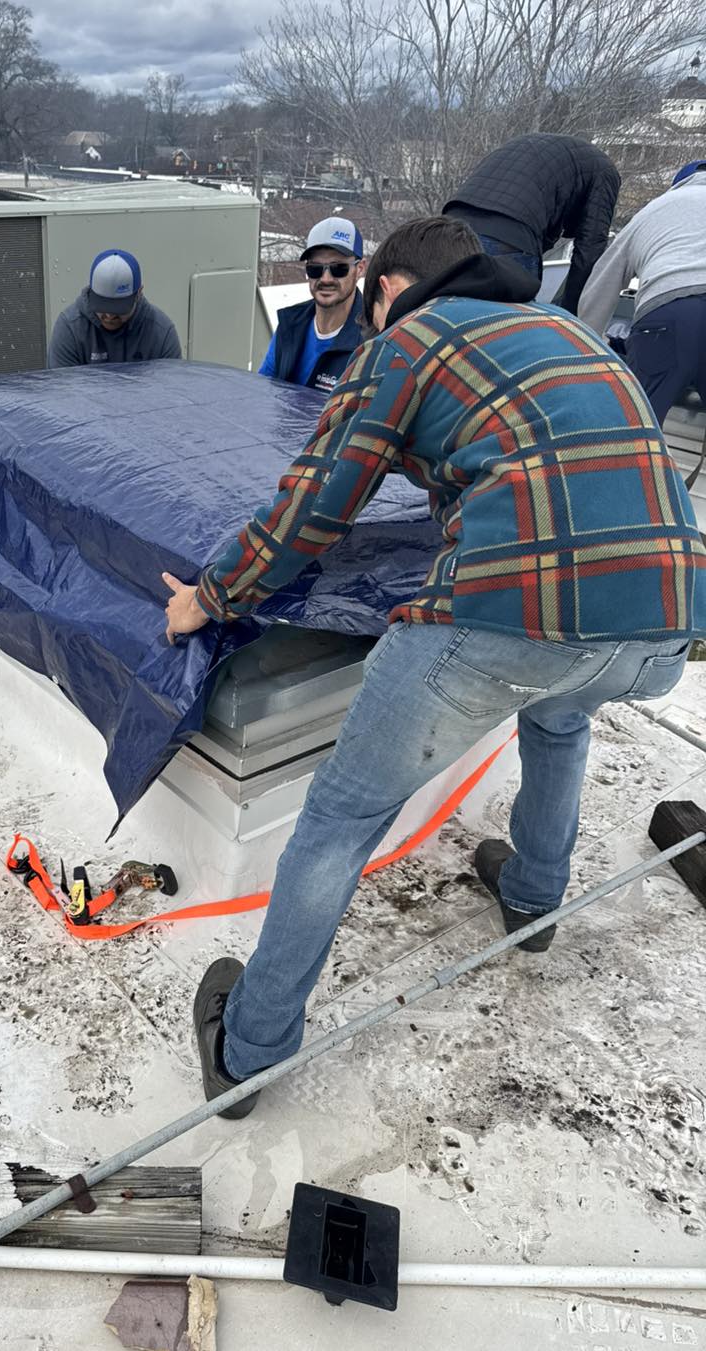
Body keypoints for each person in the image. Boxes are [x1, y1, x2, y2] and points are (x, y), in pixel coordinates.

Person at [159, 216, 705, 1120]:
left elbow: (313, 507)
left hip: (505, 620)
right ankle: (533, 898)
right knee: (561, 711)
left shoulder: (409, 342)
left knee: (340, 816)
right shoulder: (568, 330)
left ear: (386, 287)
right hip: (664, 632)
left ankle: (248, 1048)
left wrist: (210, 596)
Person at [578, 160, 706, 427]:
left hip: (669, 310)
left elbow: (604, 279)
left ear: (678, 184)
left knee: (637, 428)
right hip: (675, 309)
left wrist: (586, 345)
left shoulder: (655, 209)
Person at [444, 134, 620, 313]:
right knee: (507, 328)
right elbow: (590, 250)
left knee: (444, 318)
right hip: (507, 234)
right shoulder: (606, 173)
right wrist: (570, 316)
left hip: (448, 228)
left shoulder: (550, 157)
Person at [258, 217, 366, 393]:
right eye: (315, 269)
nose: (325, 279)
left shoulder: (371, 340)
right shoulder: (290, 324)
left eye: (339, 268)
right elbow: (263, 390)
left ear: (360, 268)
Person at [47, 249, 181, 367]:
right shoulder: (70, 328)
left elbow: (171, 390)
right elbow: (63, 391)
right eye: (102, 306)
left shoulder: (161, 333)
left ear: (139, 294)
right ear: (91, 293)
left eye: (118, 308)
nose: (109, 316)